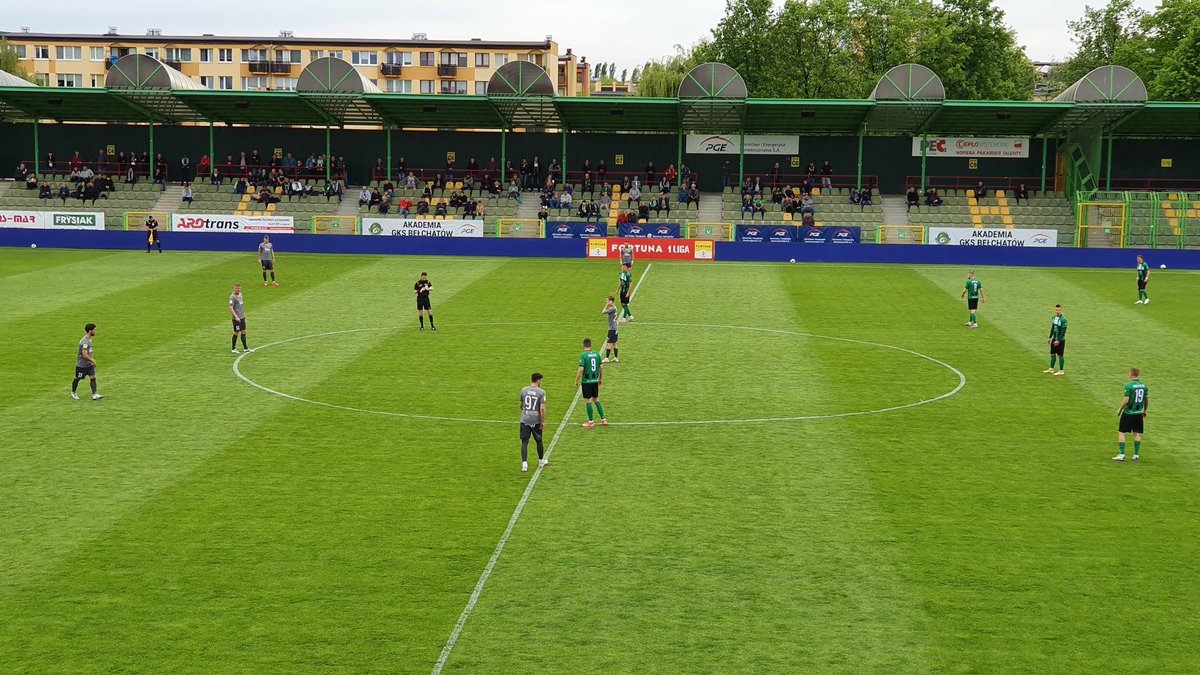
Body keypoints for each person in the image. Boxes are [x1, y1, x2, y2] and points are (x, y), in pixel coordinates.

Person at [1113, 368, 1148, 462]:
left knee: (1121, 432)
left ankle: (1121, 454)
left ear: (1131, 374)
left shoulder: (1129, 386)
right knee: (1136, 433)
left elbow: (1126, 400)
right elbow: (1146, 399)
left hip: (1129, 412)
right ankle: (1136, 455)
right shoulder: (1144, 386)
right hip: (1138, 413)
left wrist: (1120, 409)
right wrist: (1145, 410)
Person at [518, 372, 549, 472]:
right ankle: (541, 461)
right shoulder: (541, 392)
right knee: (539, 440)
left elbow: (521, 405)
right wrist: (542, 421)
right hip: (536, 421)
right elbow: (542, 409)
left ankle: (524, 464)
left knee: (524, 442)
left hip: (525, 419)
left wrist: (526, 412)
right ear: (538, 380)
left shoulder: (524, 390)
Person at [574, 338, 606, 428]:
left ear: (583, 346)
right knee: (596, 399)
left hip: (587, 381)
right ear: (591, 345)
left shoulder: (583, 355)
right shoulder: (597, 354)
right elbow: (601, 367)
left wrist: (576, 380)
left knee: (588, 401)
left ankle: (591, 422)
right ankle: (603, 419)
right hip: (595, 380)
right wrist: (600, 378)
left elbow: (581, 369)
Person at [71, 323, 103, 401]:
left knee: (93, 377)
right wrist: (93, 360)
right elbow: (84, 355)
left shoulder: (89, 339)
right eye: (94, 330)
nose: (95, 331)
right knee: (78, 378)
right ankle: (73, 392)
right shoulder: (84, 342)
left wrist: (91, 362)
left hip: (89, 365)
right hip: (82, 365)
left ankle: (94, 394)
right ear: (90, 331)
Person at [229, 283, 253, 354]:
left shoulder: (240, 294)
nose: (237, 289)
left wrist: (243, 314)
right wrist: (236, 317)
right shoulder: (232, 297)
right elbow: (230, 308)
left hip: (242, 317)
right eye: (236, 288)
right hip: (236, 318)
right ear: (234, 288)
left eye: (239, 288)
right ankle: (233, 349)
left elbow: (240, 305)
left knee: (244, 331)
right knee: (236, 332)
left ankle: (246, 348)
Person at [1044, 304, 1067, 376]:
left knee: (1060, 355)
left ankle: (1061, 370)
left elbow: (1063, 331)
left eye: (1059, 310)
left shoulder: (1063, 319)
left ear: (1061, 310)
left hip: (1061, 340)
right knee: (1052, 354)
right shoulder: (1053, 318)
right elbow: (1053, 328)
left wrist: (1058, 340)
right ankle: (1051, 369)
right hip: (1054, 339)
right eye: (1056, 310)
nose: (1057, 311)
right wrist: (1049, 338)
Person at [602, 295, 620, 364]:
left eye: (607, 300)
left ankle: (607, 358)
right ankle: (616, 358)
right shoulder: (614, 308)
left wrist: (606, 305)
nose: (606, 302)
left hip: (612, 329)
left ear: (611, 301)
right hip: (615, 328)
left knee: (609, 343)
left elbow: (603, 312)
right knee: (614, 343)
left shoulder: (612, 308)